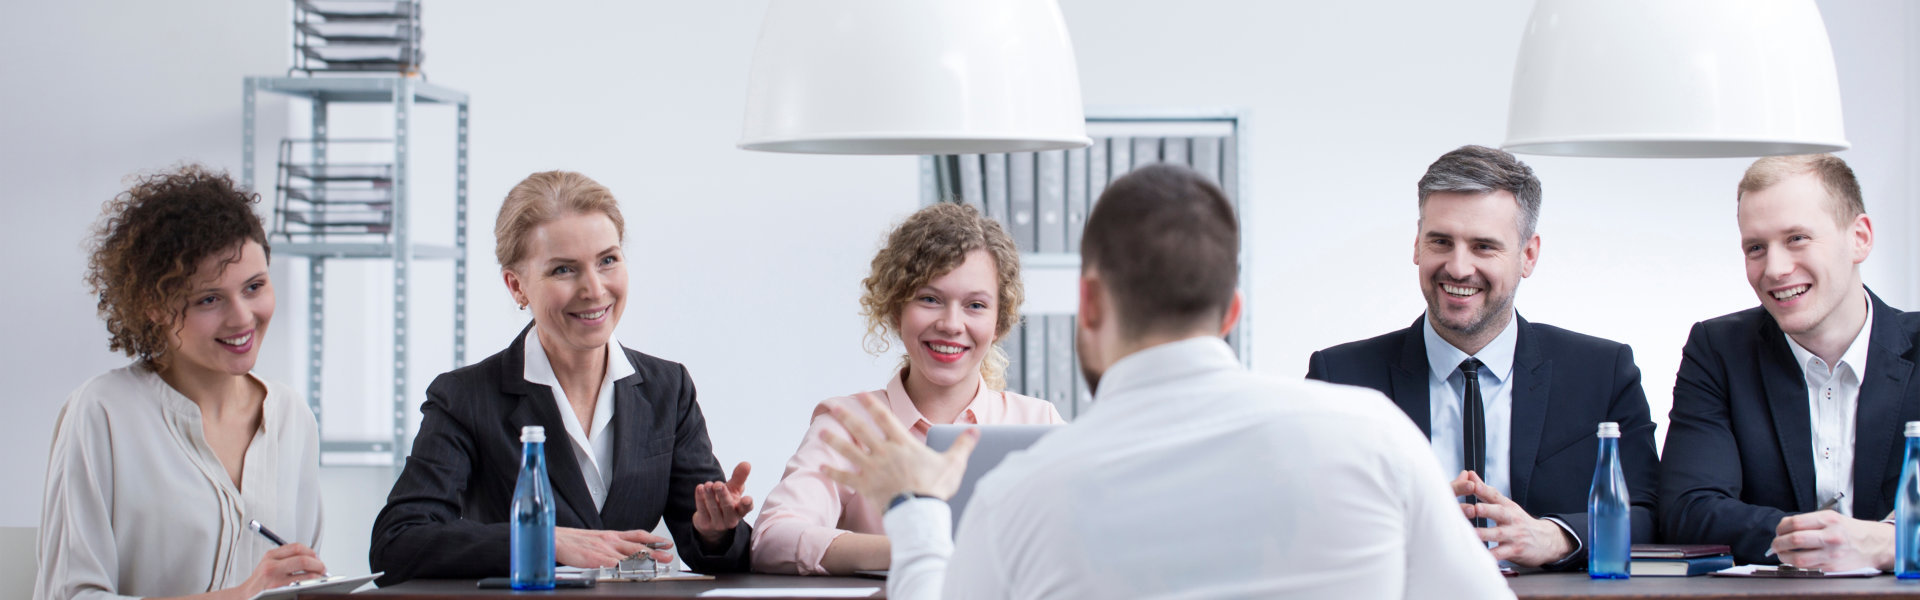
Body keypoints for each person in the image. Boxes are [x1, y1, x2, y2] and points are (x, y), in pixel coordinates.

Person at [820, 164, 1513, 599]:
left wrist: (914, 510)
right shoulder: (1376, 436)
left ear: (1089, 303)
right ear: (1232, 313)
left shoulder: (1018, 497)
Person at [369, 171, 753, 585]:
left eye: (608, 260)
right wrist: (542, 540)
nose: (594, 289)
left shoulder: (667, 387)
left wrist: (714, 532)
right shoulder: (465, 397)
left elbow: (710, 547)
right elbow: (398, 540)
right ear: (517, 286)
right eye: (564, 270)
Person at [1304, 145, 1659, 568]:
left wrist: (1558, 536)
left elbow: (1650, 515)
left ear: (1528, 255)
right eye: (1441, 241)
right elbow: (1301, 520)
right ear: (1417, 245)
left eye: (1483, 247)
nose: (1457, 267)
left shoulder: (1602, 373)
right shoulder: (1340, 380)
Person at [37, 166, 326, 600]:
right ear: (154, 305)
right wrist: (242, 595)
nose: (243, 317)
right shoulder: (102, 413)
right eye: (210, 299)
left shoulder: (290, 416)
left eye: (254, 286)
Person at [751, 203, 1065, 575]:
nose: (951, 324)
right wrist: (916, 546)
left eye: (975, 305)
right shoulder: (849, 424)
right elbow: (772, 538)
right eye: (929, 299)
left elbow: (1081, 541)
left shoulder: (1037, 422)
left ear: (999, 323)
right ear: (896, 309)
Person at [1661, 154, 1920, 569]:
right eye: (1756, 248)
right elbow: (1688, 511)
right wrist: (1827, 541)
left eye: (1797, 238)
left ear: (1860, 237)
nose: (1775, 269)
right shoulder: (1718, 349)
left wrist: (1889, 544)